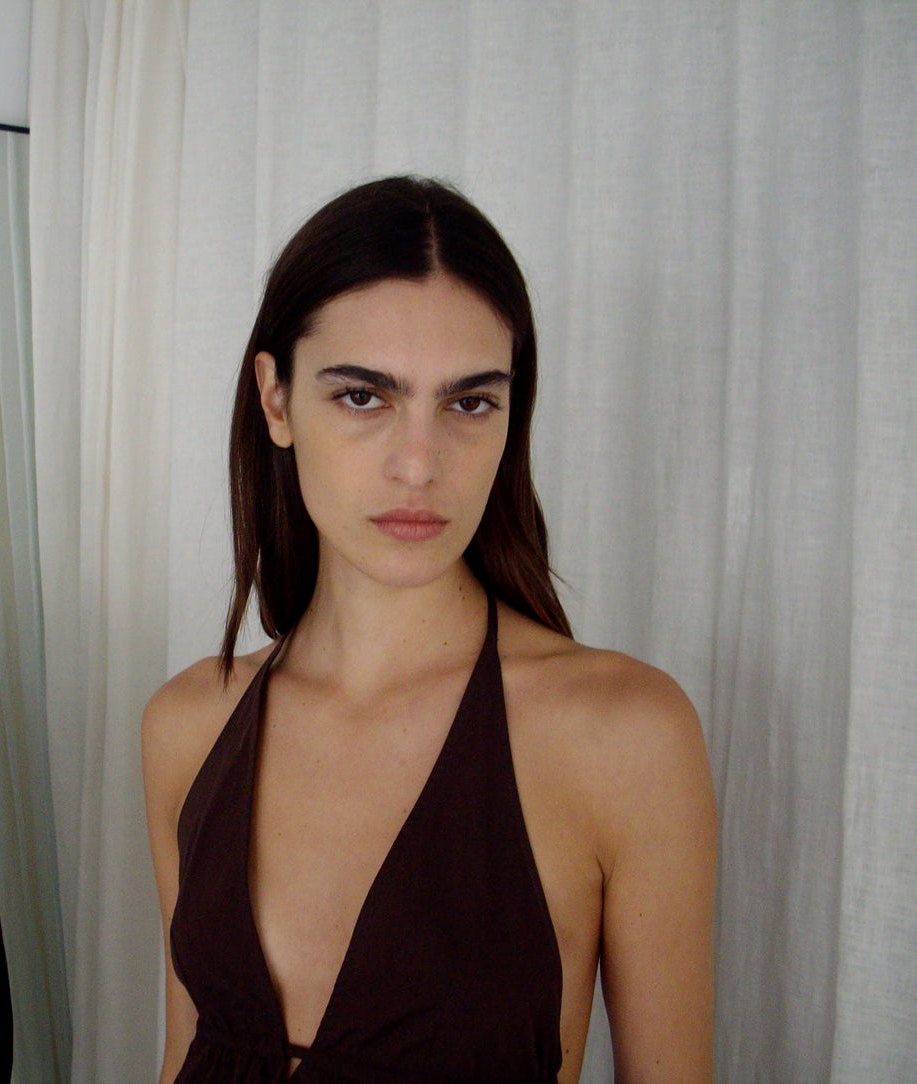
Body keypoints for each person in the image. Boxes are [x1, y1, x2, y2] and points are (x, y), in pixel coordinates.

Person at [143, 176, 716, 1083]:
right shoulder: (186, 725)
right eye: (364, 397)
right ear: (276, 399)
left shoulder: (624, 735)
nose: (419, 465)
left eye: (467, 403)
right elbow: (185, 1056)